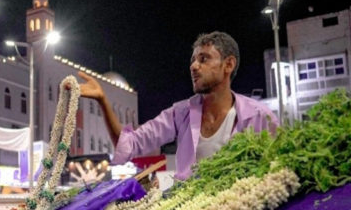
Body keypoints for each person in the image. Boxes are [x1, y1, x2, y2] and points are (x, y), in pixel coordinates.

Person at [79, 31, 279, 181]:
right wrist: (102, 101)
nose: (193, 66)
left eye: (204, 59)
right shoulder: (180, 113)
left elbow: (280, 166)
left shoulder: (259, 116)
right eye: (193, 60)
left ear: (228, 65)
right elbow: (129, 145)